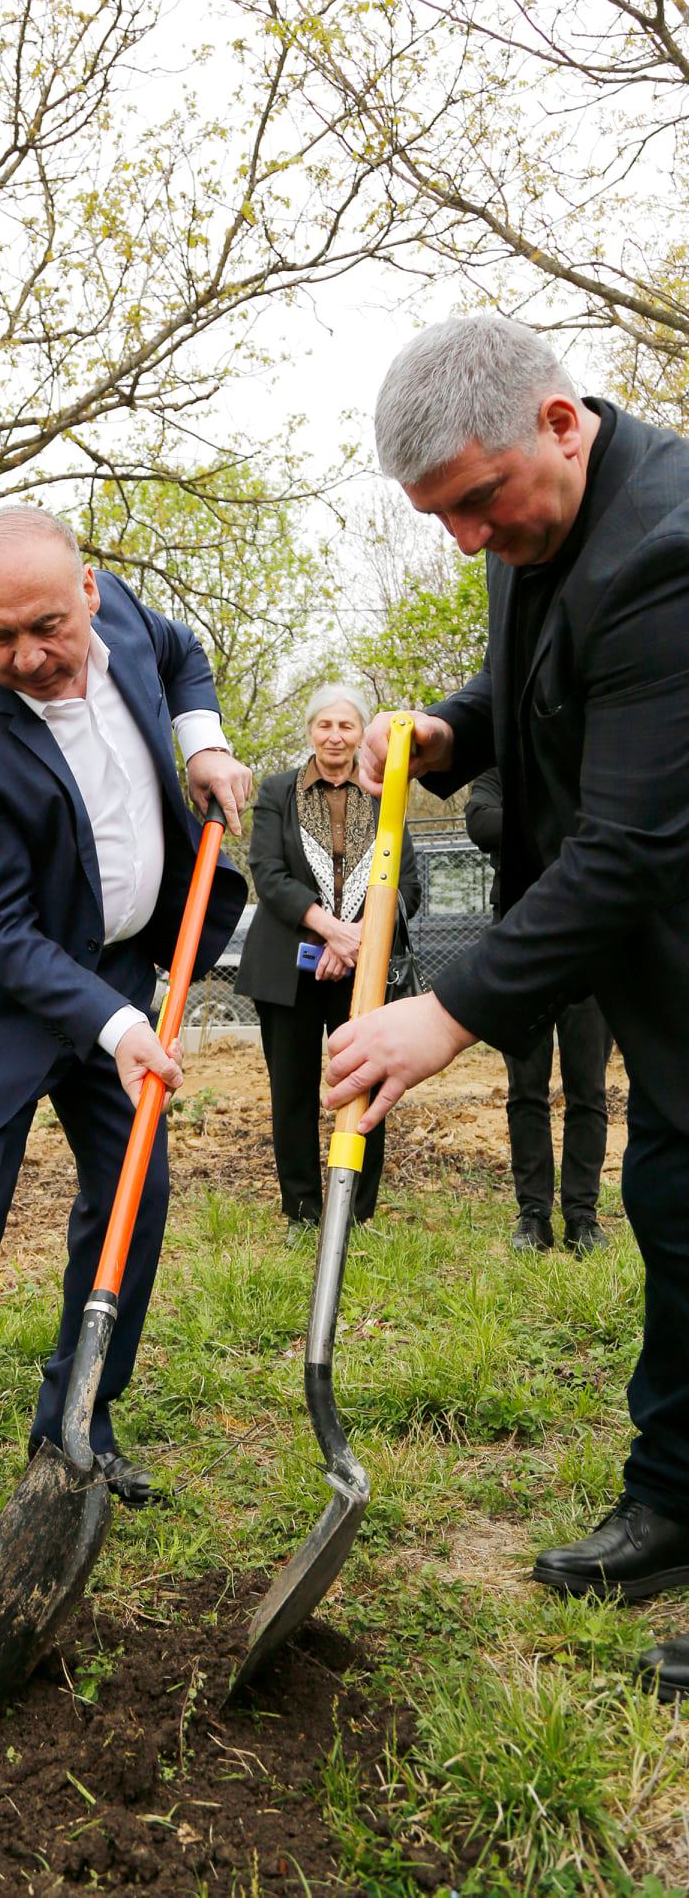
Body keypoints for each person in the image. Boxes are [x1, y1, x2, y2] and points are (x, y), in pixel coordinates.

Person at [322, 312, 689, 1702]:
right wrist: (446, 731)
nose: (466, 538)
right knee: (674, 1217)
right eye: (439, 518)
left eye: (476, 502)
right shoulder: (539, 522)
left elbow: (628, 847)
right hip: (665, 984)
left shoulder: (667, 550)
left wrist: (446, 1012)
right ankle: (673, 1500)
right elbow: (535, 679)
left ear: (559, 420)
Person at [0, 506, 251, 1588]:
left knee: (135, 1200)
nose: (29, 655)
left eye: (47, 626)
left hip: (116, 970)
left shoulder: (124, 615)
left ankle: (77, 1421)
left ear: (88, 593)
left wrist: (202, 740)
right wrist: (120, 1026)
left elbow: (182, 653)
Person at [235, 685, 421, 1238]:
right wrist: (332, 931)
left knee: (364, 1087)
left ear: (361, 733)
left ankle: (357, 1212)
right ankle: (301, 1212)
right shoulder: (278, 791)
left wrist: (358, 939)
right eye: (325, 725)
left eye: (346, 726)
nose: (334, 736)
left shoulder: (386, 792)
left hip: (364, 967)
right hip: (287, 967)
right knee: (292, 1093)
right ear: (310, 730)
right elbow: (268, 873)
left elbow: (408, 884)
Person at [464, 767, 612, 1257]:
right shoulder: (500, 767)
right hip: (520, 944)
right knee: (525, 1090)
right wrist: (559, 821)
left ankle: (582, 1217)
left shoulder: (587, 759)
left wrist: (526, 827)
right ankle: (533, 1215)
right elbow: (479, 822)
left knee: (587, 1089)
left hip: (589, 943)